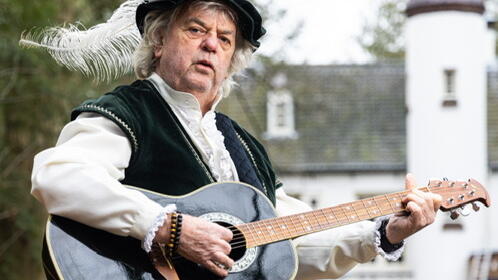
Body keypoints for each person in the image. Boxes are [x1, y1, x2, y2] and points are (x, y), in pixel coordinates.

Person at [30, 0, 442, 279]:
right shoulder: (130, 111)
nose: (211, 44)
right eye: (196, 29)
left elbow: (294, 245)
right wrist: (168, 230)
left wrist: (386, 232)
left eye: (224, 39)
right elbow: (58, 175)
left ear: (231, 61)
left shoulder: (241, 145)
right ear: (158, 42)